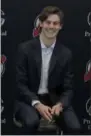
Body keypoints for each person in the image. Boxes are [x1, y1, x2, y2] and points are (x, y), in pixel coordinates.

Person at [14, 6, 81, 134]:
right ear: (41, 24)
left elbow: (69, 88)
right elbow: (20, 84)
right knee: (31, 122)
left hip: (55, 101)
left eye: (55, 23)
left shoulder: (66, 54)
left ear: (60, 26)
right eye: (48, 22)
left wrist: (60, 104)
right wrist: (37, 104)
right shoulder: (24, 49)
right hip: (29, 100)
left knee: (74, 127)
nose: (51, 26)